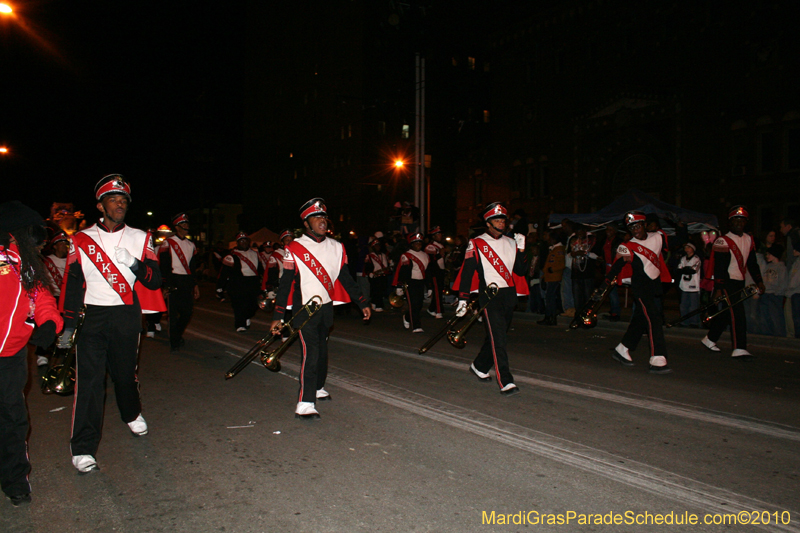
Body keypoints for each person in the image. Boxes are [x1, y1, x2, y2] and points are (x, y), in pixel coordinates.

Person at [59, 174, 163, 473]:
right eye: (113, 199)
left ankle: (131, 413)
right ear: (100, 205)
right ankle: (82, 448)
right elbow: (72, 282)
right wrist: (67, 327)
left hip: (125, 313)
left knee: (124, 374)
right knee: (90, 383)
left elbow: (154, 281)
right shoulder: (80, 240)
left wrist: (134, 263)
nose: (119, 204)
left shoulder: (141, 237)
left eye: (123, 200)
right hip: (92, 315)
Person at [269, 198, 370, 420]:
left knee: (322, 352)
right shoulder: (294, 248)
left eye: (324, 217)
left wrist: (362, 302)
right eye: (317, 217)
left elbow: (345, 278)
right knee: (311, 353)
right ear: (306, 223)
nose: (322, 221)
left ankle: (318, 387)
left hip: (326, 308)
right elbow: (285, 284)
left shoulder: (337, 247)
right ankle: (305, 402)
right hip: (304, 310)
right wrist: (278, 315)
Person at [0, 201, 63, 506]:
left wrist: (49, 323)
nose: (42, 244)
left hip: (11, 356)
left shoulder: (25, 262)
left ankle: (14, 478)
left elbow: (41, 294)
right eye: (38, 236)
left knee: (13, 419)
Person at [454, 202, 528, 395]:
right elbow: (468, 272)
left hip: (509, 295)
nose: (501, 223)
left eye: (503, 219)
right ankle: (505, 380)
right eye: (497, 220)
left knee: (497, 336)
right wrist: (463, 299)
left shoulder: (511, 242)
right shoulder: (477, 243)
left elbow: (520, 271)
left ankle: (479, 365)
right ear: (488, 223)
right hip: (489, 295)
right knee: (499, 339)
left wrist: (521, 249)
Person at [605, 212, 673, 374]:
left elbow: (673, 244)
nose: (635, 229)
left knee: (641, 319)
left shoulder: (657, 237)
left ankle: (623, 348)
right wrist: (604, 284)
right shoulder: (627, 246)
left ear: (644, 225)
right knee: (654, 319)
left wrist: (679, 226)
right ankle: (657, 357)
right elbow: (617, 266)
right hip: (640, 288)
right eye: (631, 227)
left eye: (637, 225)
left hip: (655, 286)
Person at [701, 206, 765, 360]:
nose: (739, 223)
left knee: (727, 313)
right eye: (736, 220)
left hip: (739, 281)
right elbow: (720, 267)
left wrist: (759, 281)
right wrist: (719, 288)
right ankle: (739, 348)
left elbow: (752, 263)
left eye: (742, 220)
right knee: (738, 314)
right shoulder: (723, 240)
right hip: (727, 282)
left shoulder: (748, 239)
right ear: (730, 223)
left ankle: (709, 339)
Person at [158, 213, 200, 351]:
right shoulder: (168, 243)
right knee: (173, 313)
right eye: (184, 224)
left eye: (187, 224)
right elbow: (164, 265)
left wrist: (195, 284)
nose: (187, 226)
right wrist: (166, 284)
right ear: (177, 227)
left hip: (186, 280)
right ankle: (174, 342)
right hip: (173, 279)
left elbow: (193, 267)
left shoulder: (191, 244)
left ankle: (176, 334)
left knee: (187, 312)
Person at [217, 232, 263, 332]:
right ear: (237, 243)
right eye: (241, 241)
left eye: (245, 240)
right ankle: (240, 324)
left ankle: (246, 317)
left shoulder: (255, 254)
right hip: (238, 283)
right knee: (239, 305)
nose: (244, 242)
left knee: (254, 305)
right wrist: (220, 287)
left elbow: (260, 270)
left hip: (253, 282)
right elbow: (224, 273)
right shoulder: (231, 256)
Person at [392, 232, 431, 333]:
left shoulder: (425, 255)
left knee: (419, 304)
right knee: (413, 304)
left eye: (420, 243)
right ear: (412, 244)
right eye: (416, 243)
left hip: (421, 282)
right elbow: (403, 272)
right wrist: (399, 286)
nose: (418, 245)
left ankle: (408, 317)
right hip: (410, 282)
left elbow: (428, 272)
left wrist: (429, 287)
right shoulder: (407, 255)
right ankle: (416, 326)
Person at [569, 225, 599, 318]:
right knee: (577, 297)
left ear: (585, 231)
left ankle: (587, 316)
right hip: (576, 272)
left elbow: (597, 255)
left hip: (588, 273)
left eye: (581, 231)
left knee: (588, 297)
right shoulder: (573, 239)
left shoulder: (592, 239)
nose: (579, 234)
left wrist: (584, 253)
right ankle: (578, 317)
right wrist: (576, 253)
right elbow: (570, 253)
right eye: (577, 232)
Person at [755, 250, 786, 337]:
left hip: (774, 295)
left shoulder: (781, 267)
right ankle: (767, 335)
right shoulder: (768, 266)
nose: (767, 256)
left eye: (769, 254)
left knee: (775, 316)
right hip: (766, 293)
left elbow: (783, 281)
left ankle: (779, 335)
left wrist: (777, 292)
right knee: (764, 316)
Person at [538, 231, 565, 326]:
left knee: (550, 298)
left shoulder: (559, 249)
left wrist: (551, 269)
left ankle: (551, 317)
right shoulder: (554, 249)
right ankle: (548, 316)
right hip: (549, 277)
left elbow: (561, 264)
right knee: (549, 298)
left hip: (554, 277)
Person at [676, 243, 702, 327]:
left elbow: (693, 270)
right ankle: (684, 321)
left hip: (693, 286)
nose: (687, 249)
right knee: (683, 305)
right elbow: (679, 270)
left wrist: (685, 269)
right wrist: (686, 269)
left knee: (693, 306)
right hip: (684, 286)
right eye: (685, 247)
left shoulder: (696, 259)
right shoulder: (683, 259)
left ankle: (694, 322)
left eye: (689, 247)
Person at [601, 224, 623, 322]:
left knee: (612, 291)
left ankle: (615, 313)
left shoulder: (618, 241)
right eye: (607, 229)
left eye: (610, 229)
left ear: (615, 231)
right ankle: (614, 311)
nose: (608, 231)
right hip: (606, 268)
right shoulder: (604, 240)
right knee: (609, 292)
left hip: (614, 269)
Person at [424, 226, 446, 319]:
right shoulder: (430, 246)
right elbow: (430, 260)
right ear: (433, 236)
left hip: (440, 271)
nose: (440, 236)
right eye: (438, 234)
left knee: (439, 291)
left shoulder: (441, 245)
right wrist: (439, 254)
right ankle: (438, 310)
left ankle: (432, 308)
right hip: (434, 272)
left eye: (440, 234)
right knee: (436, 291)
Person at [364, 236, 390, 312]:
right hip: (375, 276)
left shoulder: (384, 255)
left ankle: (374, 302)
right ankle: (379, 305)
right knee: (376, 291)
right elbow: (367, 266)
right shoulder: (370, 256)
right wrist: (370, 273)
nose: (378, 247)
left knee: (381, 290)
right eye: (376, 246)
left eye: (378, 245)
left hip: (383, 275)